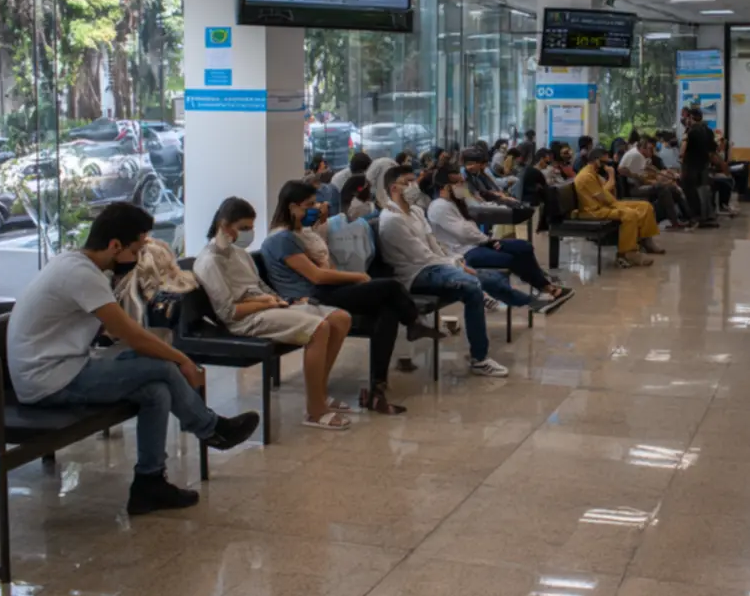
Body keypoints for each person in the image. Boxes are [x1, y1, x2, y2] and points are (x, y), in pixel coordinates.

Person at [8, 203, 259, 515]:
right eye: (138, 249)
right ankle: (212, 430)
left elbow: (104, 327)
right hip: (49, 381)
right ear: (115, 246)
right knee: (163, 368)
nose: (141, 257)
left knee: (156, 391)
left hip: (62, 368)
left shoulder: (76, 265)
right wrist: (184, 361)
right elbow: (133, 335)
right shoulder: (81, 274)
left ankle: (149, 482)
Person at [260, 181, 444, 414]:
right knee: (391, 287)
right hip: (311, 297)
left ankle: (377, 389)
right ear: (292, 207)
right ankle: (413, 321)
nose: (316, 208)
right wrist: (357, 277)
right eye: (310, 205)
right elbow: (316, 276)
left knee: (387, 311)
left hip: (323, 292)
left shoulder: (302, 234)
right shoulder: (281, 239)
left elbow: (326, 267)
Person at [195, 198, 356, 430]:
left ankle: (320, 392)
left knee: (340, 319)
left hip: (267, 306)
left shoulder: (239, 254)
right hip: (245, 320)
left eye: (251, 227)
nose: (249, 233)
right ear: (224, 225)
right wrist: (266, 303)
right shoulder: (209, 262)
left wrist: (283, 300)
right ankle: (315, 409)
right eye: (243, 228)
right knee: (319, 329)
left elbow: (259, 286)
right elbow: (230, 312)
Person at [379, 166, 534, 378]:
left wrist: (455, 263)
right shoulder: (391, 220)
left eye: (414, 181)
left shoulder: (415, 211)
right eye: (408, 182)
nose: (414, 186)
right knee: (472, 286)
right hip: (415, 275)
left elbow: (433, 245)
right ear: (393, 188)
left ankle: (522, 301)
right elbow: (419, 256)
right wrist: (455, 265)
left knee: (491, 278)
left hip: (435, 265)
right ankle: (481, 356)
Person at [427, 166, 573, 311]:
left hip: (477, 243)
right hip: (464, 252)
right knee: (509, 258)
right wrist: (487, 241)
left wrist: (486, 238)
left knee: (524, 247)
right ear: (446, 187)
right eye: (458, 183)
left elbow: (471, 217)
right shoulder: (439, 207)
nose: (462, 185)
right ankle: (544, 291)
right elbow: (463, 231)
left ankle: (543, 286)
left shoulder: (456, 201)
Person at [574, 147, 662, 267]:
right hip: (594, 211)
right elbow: (603, 196)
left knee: (645, 206)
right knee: (630, 214)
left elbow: (606, 192)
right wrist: (611, 176)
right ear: (596, 161)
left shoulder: (593, 173)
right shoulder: (586, 176)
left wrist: (611, 186)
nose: (606, 165)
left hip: (606, 204)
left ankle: (645, 240)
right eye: (604, 162)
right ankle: (627, 252)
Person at [619, 138, 688, 227]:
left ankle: (686, 216)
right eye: (649, 149)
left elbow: (649, 167)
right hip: (635, 188)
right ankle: (675, 221)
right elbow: (624, 171)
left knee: (672, 188)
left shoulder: (638, 154)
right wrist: (636, 176)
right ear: (643, 149)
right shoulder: (636, 155)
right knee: (663, 188)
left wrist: (666, 175)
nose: (651, 151)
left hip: (640, 183)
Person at [680, 108, 720, 228]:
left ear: (691, 118)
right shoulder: (708, 131)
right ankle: (706, 215)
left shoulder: (691, 132)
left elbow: (682, 152)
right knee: (704, 190)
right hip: (703, 165)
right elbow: (713, 149)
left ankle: (694, 217)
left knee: (691, 192)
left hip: (690, 166)